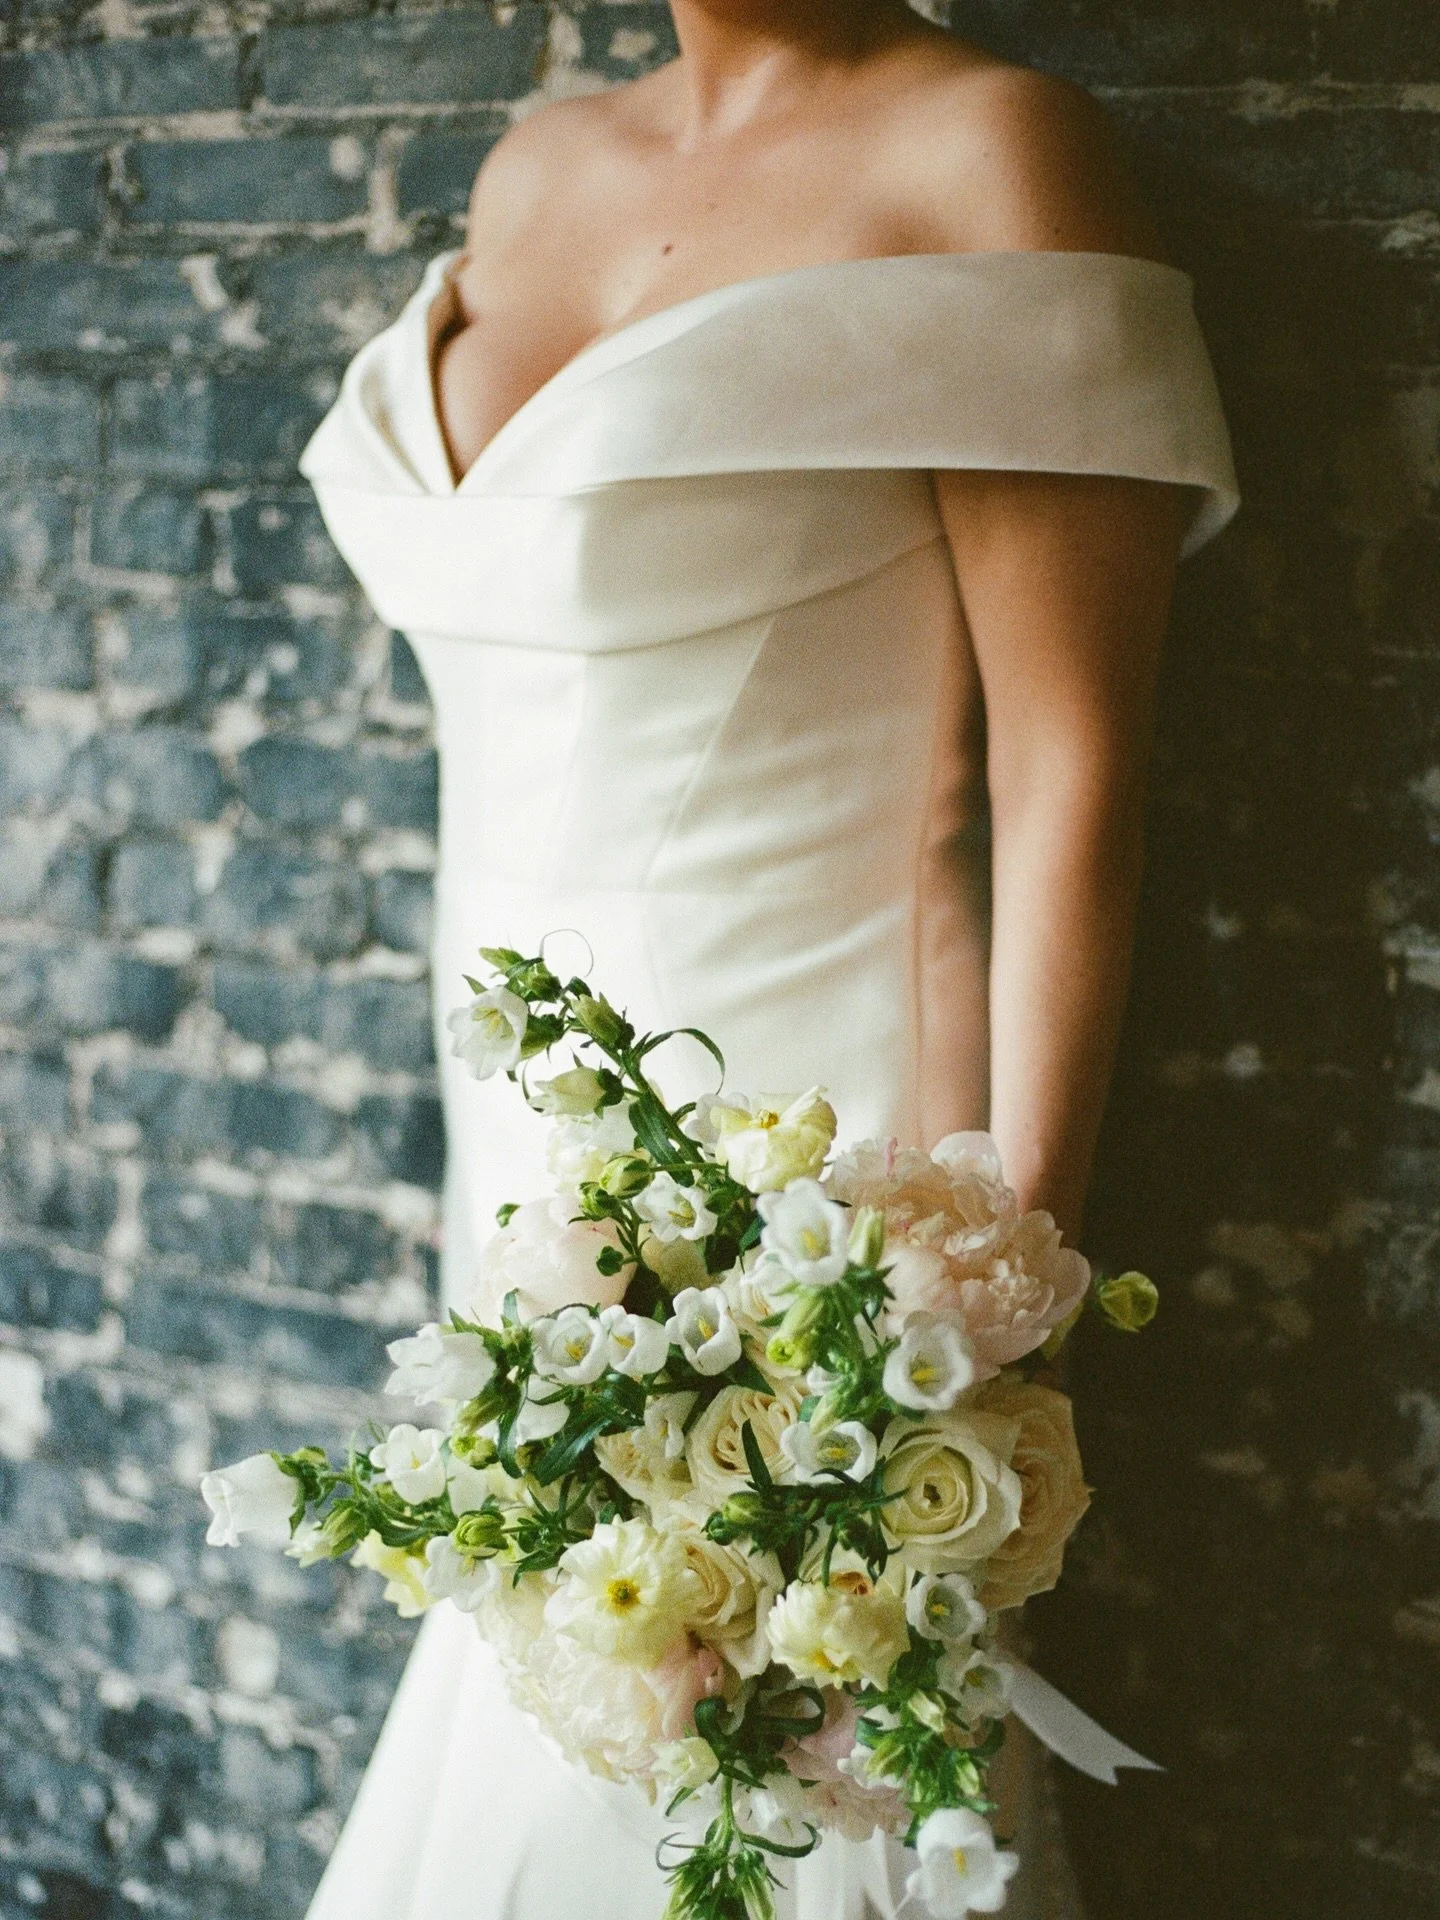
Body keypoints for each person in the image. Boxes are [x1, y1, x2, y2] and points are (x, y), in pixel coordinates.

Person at [296, 1, 1239, 1913]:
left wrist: (991, 1299)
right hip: (520, 1145)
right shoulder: (537, 164)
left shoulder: (984, 151)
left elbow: (1073, 780)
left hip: (819, 1170)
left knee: (785, 1757)